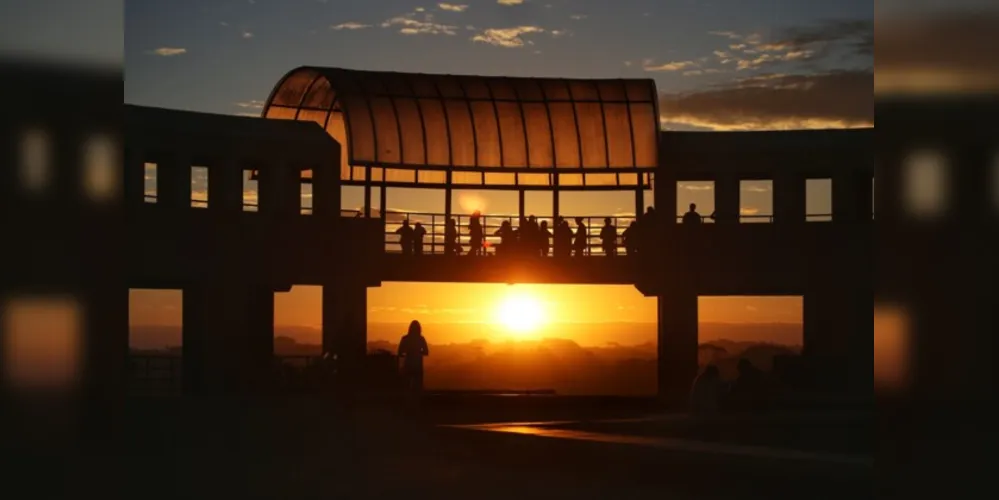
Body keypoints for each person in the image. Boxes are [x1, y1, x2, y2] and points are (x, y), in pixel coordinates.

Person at [397, 320, 429, 396]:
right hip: (418, 365)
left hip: (408, 364)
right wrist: (418, 353)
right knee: (417, 387)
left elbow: (400, 352)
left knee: (406, 386)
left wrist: (408, 353)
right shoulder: (421, 339)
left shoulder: (405, 339)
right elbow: (426, 352)